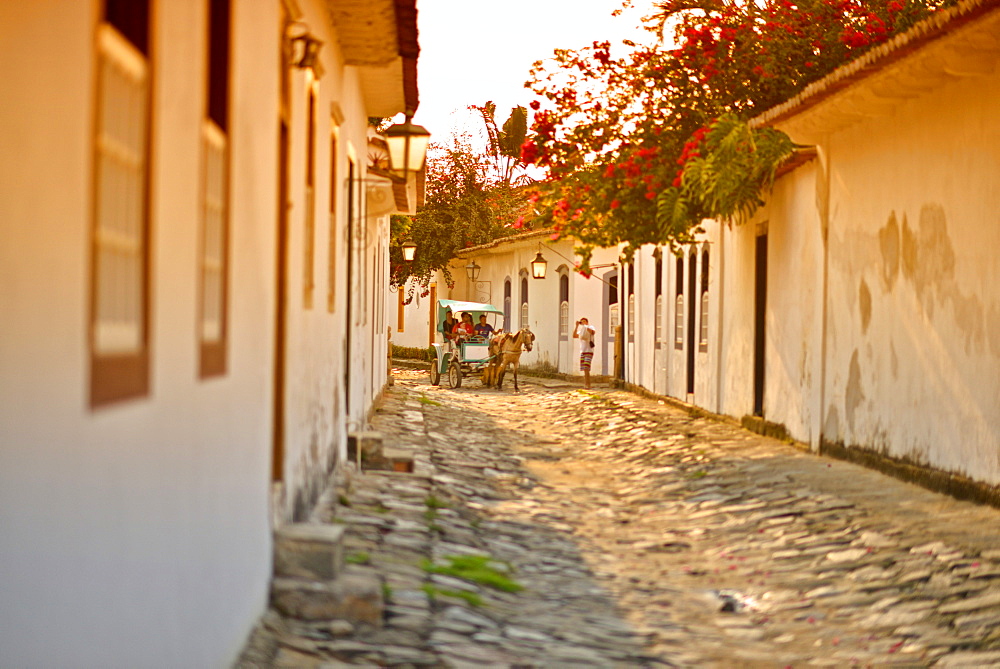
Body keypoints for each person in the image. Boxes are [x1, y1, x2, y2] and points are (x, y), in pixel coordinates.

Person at [573, 317, 596, 389]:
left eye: (584, 321)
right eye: (581, 322)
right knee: (584, 368)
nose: (583, 323)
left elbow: (592, 332)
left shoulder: (590, 327)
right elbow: (574, 336)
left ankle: (588, 384)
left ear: (587, 322)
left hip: (589, 351)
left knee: (586, 367)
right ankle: (587, 383)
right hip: (583, 351)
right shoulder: (581, 331)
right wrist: (576, 326)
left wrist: (585, 325)